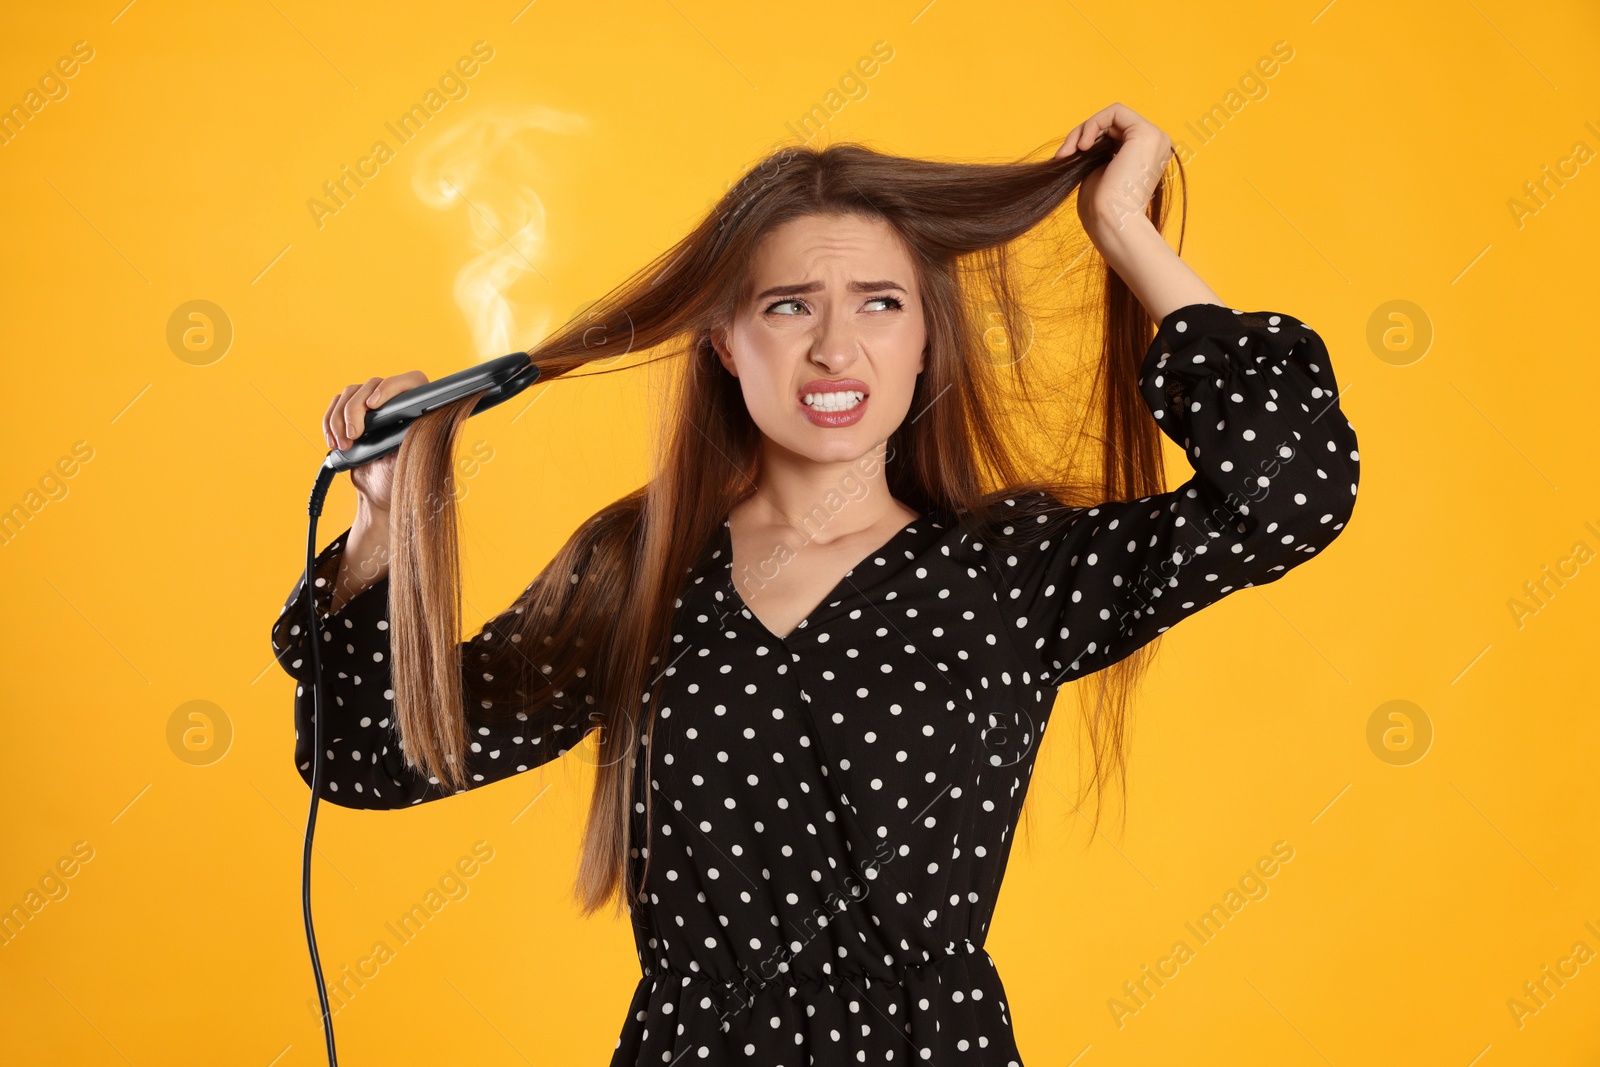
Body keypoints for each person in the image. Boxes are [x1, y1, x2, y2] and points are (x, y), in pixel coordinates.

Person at [271, 103, 1360, 1065]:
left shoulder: (1009, 571)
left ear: (930, 340)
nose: (836, 348)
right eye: (790, 305)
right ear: (724, 342)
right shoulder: (636, 564)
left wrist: (1125, 229)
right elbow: (371, 755)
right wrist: (382, 514)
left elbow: (1290, 493)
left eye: (881, 303)